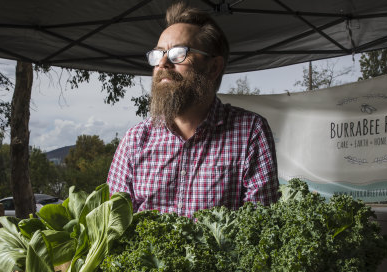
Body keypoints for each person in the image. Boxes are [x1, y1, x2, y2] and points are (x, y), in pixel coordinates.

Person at [107, 2, 279, 218]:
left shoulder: (250, 131)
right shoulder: (135, 140)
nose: (163, 64)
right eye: (158, 54)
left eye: (178, 53)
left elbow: (261, 225)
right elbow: (112, 224)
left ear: (213, 67)